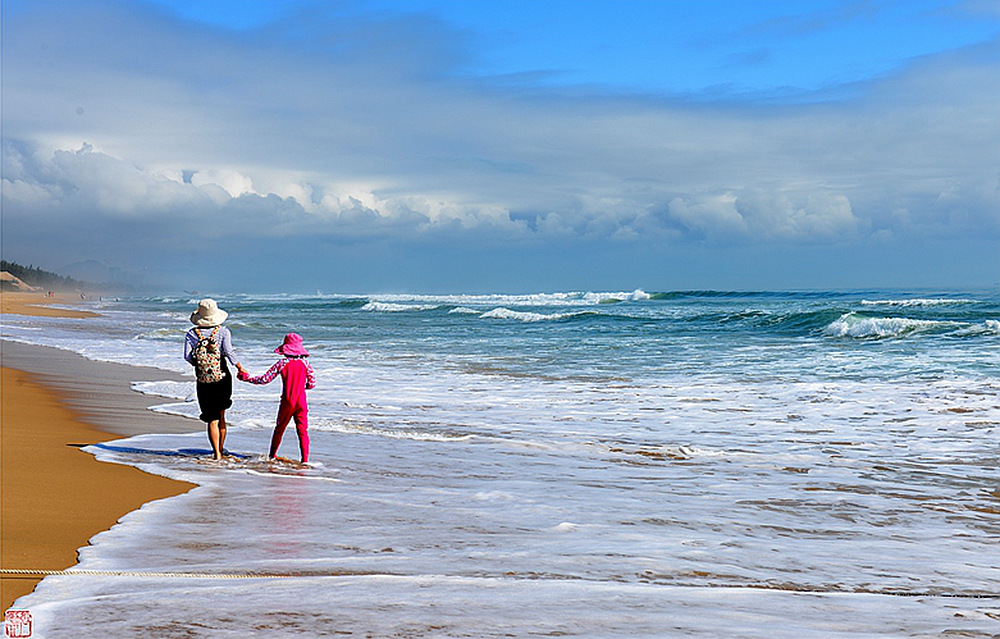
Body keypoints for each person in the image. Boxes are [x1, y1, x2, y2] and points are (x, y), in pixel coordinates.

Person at [184, 298, 247, 460]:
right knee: (221, 416)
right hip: (222, 377)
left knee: (211, 419)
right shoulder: (223, 332)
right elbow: (229, 352)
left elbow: (187, 356)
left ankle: (217, 454)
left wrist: (199, 364)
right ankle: (221, 448)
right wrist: (240, 367)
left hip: (203, 379)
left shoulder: (191, 333)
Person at [238, 333, 316, 464]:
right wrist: (304, 386)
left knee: (280, 428)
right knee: (302, 431)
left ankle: (272, 455)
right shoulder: (306, 364)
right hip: (301, 401)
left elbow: (264, 379)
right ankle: (305, 460)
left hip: (287, 400)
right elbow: (312, 383)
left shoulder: (282, 364)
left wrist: (247, 378)